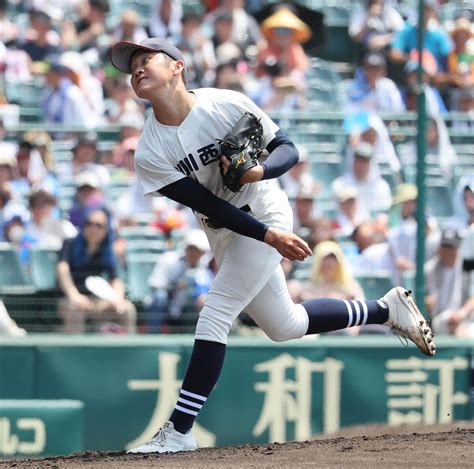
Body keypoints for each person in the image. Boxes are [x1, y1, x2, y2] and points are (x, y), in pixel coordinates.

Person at [110, 37, 435, 453]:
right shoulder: (150, 150)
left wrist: (258, 173)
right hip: (231, 229)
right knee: (286, 326)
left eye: (145, 59)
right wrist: (266, 236)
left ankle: (178, 430)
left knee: (215, 315)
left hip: (265, 210)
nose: (136, 69)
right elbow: (207, 203)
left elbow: (288, 149)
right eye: (130, 66)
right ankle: (386, 309)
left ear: (177, 66)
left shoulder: (224, 104)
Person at [57, 208, 136, 333]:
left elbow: (116, 279)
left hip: (98, 300)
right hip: (71, 299)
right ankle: (75, 351)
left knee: (127, 309)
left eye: (98, 226)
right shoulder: (70, 244)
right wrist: (74, 295)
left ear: (105, 230)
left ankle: (127, 350)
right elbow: (62, 270)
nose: (93, 229)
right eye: (89, 224)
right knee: (74, 311)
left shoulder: (108, 250)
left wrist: (118, 300)